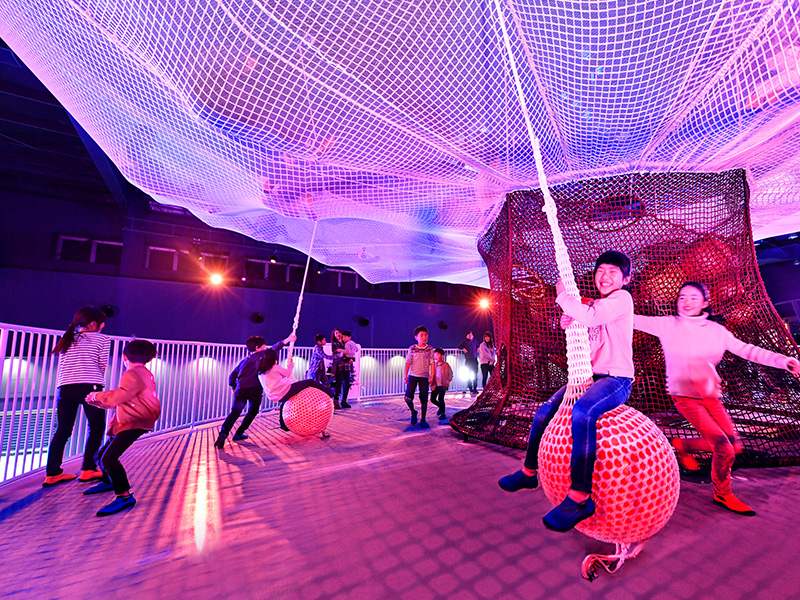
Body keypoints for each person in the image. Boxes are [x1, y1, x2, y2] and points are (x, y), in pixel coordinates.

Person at [635, 281, 800, 516]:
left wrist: (784, 361)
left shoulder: (717, 332)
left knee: (734, 445)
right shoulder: (667, 325)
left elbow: (749, 350)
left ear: (705, 303)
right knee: (723, 447)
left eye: (693, 297)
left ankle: (683, 445)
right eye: (682, 297)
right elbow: (627, 317)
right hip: (685, 397)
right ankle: (723, 493)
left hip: (711, 397)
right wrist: (594, 307)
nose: (686, 301)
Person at [498, 250, 635, 532]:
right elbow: (586, 329)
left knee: (583, 412)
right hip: (589, 376)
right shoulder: (595, 304)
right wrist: (571, 323)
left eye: (612, 272)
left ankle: (580, 497)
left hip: (617, 380)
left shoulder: (622, 299)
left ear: (626, 279)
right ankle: (528, 472)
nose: (605, 276)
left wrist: (564, 296)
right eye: (600, 271)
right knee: (544, 413)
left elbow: (590, 316)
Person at [84, 339, 161, 516]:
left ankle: (124, 495)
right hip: (136, 418)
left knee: (109, 458)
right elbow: (129, 399)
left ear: (124, 356)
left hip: (135, 421)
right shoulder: (145, 373)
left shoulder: (132, 373)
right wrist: (99, 402)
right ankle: (108, 479)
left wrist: (97, 395)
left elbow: (120, 396)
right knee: (104, 454)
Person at [43, 306, 111, 487]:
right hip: (90, 386)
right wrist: (98, 385)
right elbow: (101, 365)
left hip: (65, 388)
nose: (103, 326)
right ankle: (88, 468)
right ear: (94, 323)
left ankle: (52, 474)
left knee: (63, 430)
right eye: (102, 323)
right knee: (97, 427)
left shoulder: (67, 338)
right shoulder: (103, 339)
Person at [215, 333, 295, 449]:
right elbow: (275, 348)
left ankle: (223, 433)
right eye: (263, 346)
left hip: (240, 389)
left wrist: (233, 387)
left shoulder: (244, 361)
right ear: (258, 348)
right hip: (254, 389)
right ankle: (238, 433)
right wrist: (288, 340)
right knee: (253, 411)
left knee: (234, 412)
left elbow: (232, 375)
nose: (265, 348)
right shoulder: (262, 356)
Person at [257, 349, 333, 431]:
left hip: (276, 396)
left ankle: (283, 424)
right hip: (286, 391)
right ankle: (330, 392)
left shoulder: (260, 372)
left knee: (285, 401)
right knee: (310, 382)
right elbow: (287, 374)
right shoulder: (275, 367)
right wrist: (291, 364)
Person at [404, 326, 435, 428]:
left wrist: (432, 376)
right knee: (408, 398)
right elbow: (408, 362)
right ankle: (413, 412)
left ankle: (423, 419)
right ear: (416, 337)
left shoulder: (430, 349)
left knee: (424, 399)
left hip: (424, 377)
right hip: (413, 375)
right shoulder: (412, 348)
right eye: (421, 335)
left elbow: (432, 363)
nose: (424, 337)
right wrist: (405, 375)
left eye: (426, 335)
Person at [429, 348, 454, 420]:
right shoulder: (434, 365)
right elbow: (431, 374)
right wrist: (431, 381)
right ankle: (440, 407)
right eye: (434, 355)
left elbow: (450, 373)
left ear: (442, 356)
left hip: (443, 385)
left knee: (441, 399)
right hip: (435, 385)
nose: (435, 357)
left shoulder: (446, 365)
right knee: (432, 399)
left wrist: (448, 380)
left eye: (437, 355)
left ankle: (443, 413)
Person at [330, 328, 350, 409]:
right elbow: (338, 355)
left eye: (338, 332)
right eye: (336, 333)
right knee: (338, 383)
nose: (337, 334)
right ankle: (336, 402)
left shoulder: (346, 343)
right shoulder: (335, 343)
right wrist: (347, 358)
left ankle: (344, 401)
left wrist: (350, 359)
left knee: (347, 383)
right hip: (339, 366)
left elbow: (349, 352)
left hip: (346, 366)